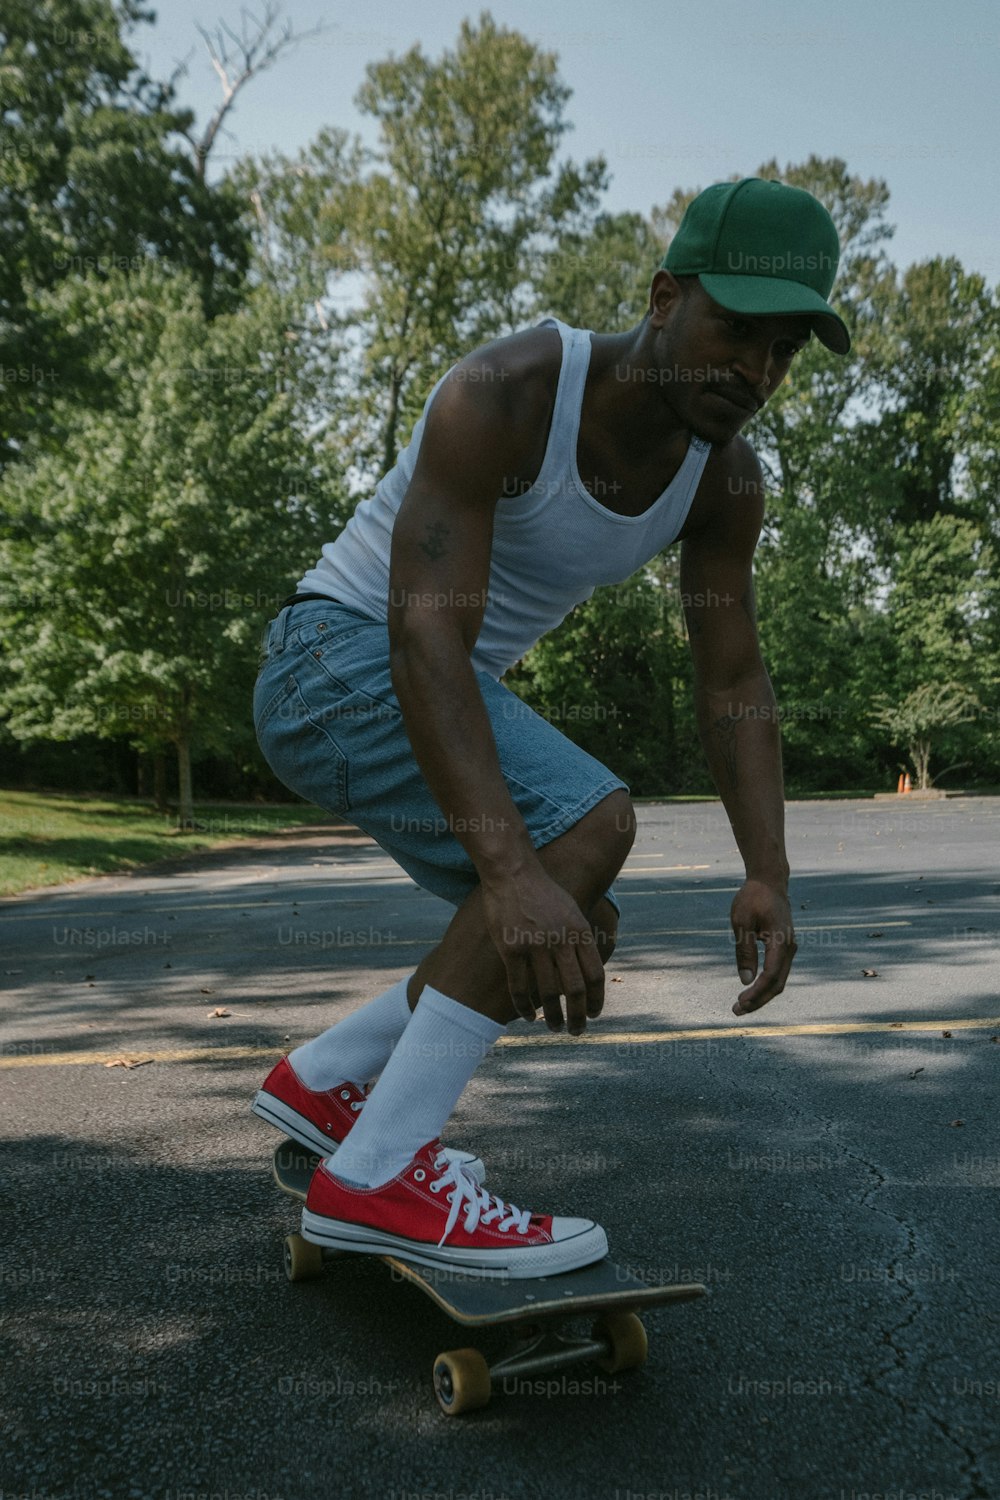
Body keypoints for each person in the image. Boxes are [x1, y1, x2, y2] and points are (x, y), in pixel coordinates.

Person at [251, 177, 851, 1278]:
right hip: (329, 665)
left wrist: (767, 871)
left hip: (410, 683)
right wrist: (516, 869)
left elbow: (732, 678)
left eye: (783, 352)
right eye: (734, 331)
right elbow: (424, 637)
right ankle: (377, 1174)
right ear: (664, 297)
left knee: (576, 916)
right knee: (584, 833)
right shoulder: (508, 391)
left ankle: (327, 1080)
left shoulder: (724, 480)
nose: (754, 373)